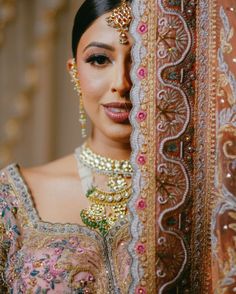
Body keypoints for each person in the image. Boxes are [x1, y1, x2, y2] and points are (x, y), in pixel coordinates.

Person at [0, 0, 133, 292]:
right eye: (100, 59)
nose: (121, 82)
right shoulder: (13, 198)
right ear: (75, 71)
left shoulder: (195, 197)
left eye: (141, 60)